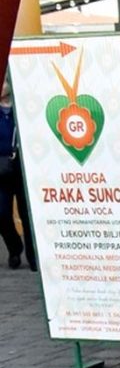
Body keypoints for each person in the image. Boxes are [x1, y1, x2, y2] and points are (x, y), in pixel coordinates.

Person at [0, 76, 35, 271]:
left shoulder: (23, 108)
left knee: (27, 213)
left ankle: (33, 257)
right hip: (1, 168)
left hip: (23, 166)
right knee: (2, 214)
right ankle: (14, 247)